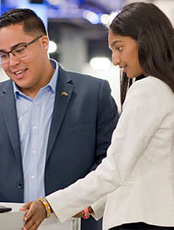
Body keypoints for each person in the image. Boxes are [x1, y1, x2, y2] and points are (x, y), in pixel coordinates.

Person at [0, 8, 119, 230]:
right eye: (4, 55)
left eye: (19, 50)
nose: (12, 62)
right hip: (6, 224)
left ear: (44, 43)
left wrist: (63, 205)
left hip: (73, 223)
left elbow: (109, 161)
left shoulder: (93, 94)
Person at [21, 2, 174, 230]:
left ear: (145, 40)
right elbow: (139, 167)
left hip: (138, 221)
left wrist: (49, 204)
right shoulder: (165, 88)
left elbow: (114, 168)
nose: (115, 60)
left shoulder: (147, 90)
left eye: (119, 47)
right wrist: (91, 205)